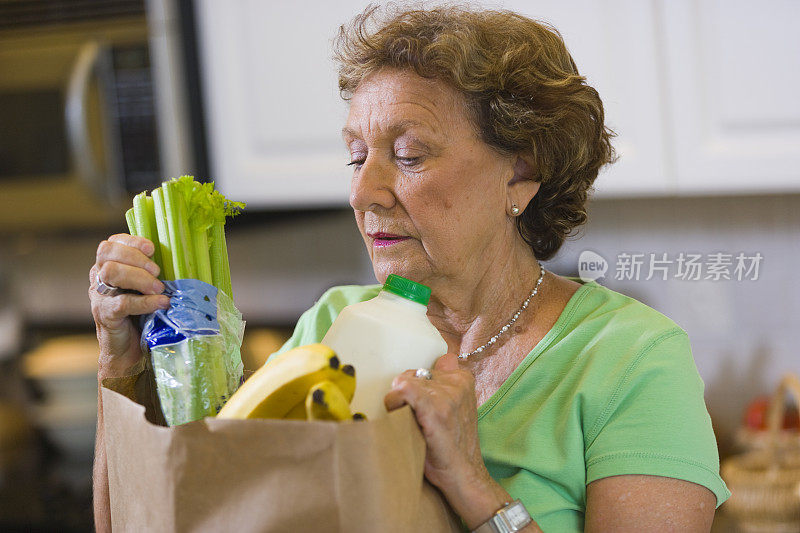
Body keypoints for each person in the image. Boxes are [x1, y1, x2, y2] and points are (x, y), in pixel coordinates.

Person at [90, 5, 730, 532]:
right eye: (356, 156)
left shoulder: (631, 358)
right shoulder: (334, 324)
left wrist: (474, 486)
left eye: (408, 154)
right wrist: (122, 364)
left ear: (522, 171)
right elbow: (175, 515)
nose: (363, 192)